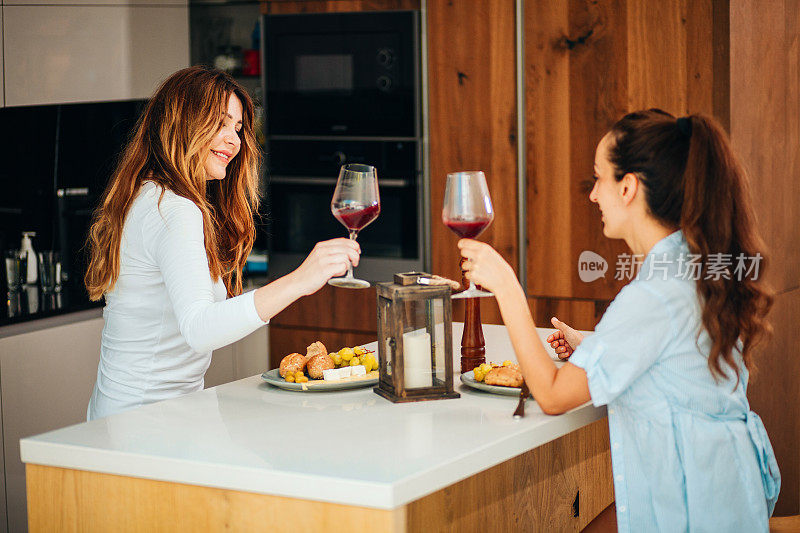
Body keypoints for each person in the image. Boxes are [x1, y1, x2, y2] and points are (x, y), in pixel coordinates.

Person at [459, 109, 779, 532]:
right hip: (725, 493)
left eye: (598, 179)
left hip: (693, 510)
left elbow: (552, 397)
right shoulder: (689, 265)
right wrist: (592, 348)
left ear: (627, 187)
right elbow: (668, 359)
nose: (593, 195)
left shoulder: (654, 294)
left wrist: (507, 286)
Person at [84, 67, 360, 420]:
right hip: (144, 422)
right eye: (220, 123)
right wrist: (299, 281)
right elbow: (200, 329)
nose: (234, 139)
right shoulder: (173, 209)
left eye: (239, 128)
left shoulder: (153, 195)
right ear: (183, 124)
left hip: (141, 416)